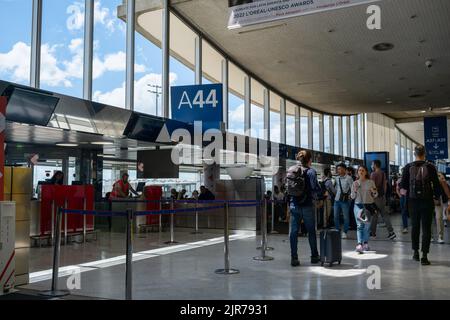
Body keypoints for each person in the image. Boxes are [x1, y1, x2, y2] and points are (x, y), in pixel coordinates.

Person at [399, 145, 441, 265]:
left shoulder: (408, 167)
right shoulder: (431, 167)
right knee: (427, 228)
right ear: (425, 153)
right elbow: (436, 185)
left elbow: (403, 187)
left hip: (413, 202)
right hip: (427, 201)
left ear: (414, 153)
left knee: (415, 227)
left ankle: (415, 253)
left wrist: (405, 199)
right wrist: (436, 198)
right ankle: (424, 256)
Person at [287, 150, 322, 267]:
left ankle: (294, 258)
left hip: (294, 204)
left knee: (293, 232)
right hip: (307, 205)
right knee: (311, 231)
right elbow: (315, 188)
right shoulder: (311, 172)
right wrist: (320, 196)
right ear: (310, 160)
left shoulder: (293, 170)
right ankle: (314, 256)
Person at [351, 165, 378, 253]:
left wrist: (373, 192)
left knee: (367, 226)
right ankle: (359, 244)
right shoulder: (355, 183)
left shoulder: (371, 182)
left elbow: (376, 195)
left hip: (368, 206)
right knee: (359, 226)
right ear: (357, 172)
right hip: (358, 205)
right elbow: (352, 197)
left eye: (363, 170)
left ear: (366, 172)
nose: (361, 172)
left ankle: (365, 243)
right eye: (359, 170)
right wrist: (355, 190)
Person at [370, 160, 397, 240]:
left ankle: (373, 233)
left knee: (374, 215)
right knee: (385, 215)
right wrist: (383, 195)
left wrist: (372, 196)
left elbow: (371, 187)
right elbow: (385, 186)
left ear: (374, 165)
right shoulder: (383, 173)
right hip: (382, 197)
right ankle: (391, 232)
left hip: (375, 198)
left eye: (372, 164)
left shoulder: (373, 174)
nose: (371, 166)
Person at [333, 163, 353, 239]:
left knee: (346, 217)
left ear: (345, 169)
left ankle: (345, 232)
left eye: (340, 169)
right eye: (338, 169)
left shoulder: (349, 178)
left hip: (345, 200)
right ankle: (337, 230)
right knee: (335, 216)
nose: (339, 170)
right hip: (337, 200)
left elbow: (352, 188)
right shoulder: (337, 178)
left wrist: (350, 196)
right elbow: (336, 188)